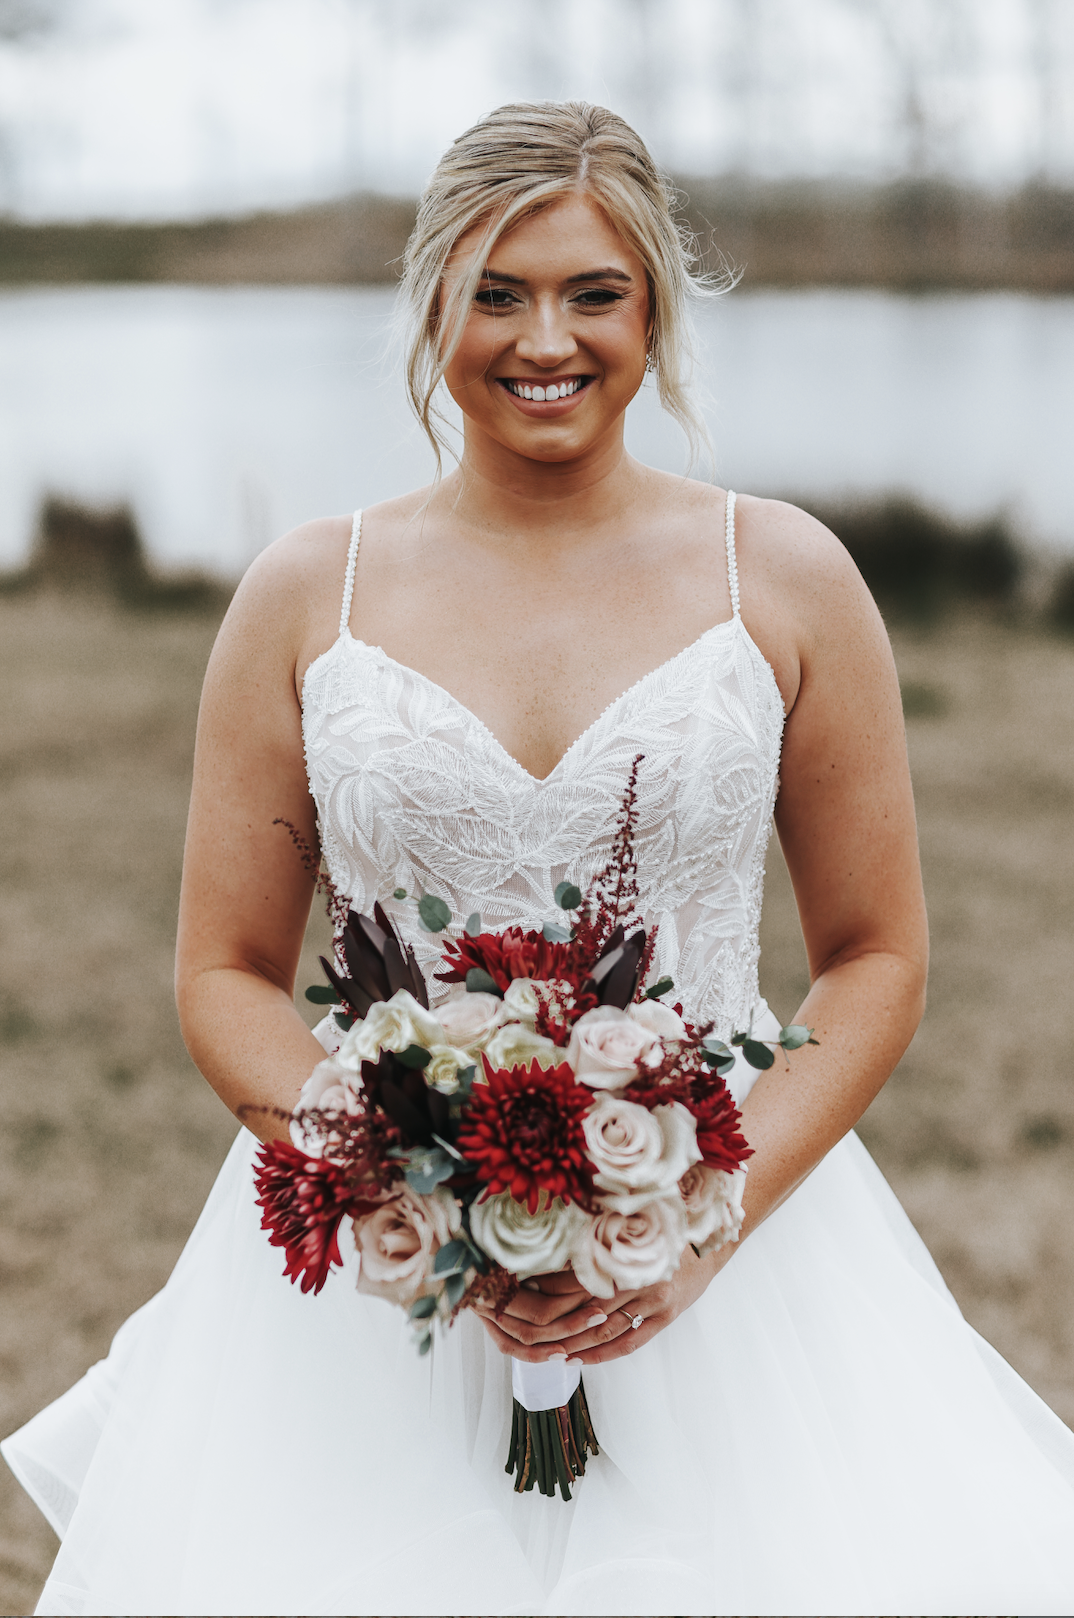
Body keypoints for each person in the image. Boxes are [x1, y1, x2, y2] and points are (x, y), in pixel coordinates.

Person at [4, 101, 1074, 1618]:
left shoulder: (781, 578)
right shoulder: (308, 594)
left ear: (656, 310)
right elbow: (221, 969)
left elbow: (876, 952)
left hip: (729, 1246)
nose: (542, 338)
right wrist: (395, 1175)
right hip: (371, 1288)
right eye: (496, 291)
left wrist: (692, 1222)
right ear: (433, 299)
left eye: (593, 291)